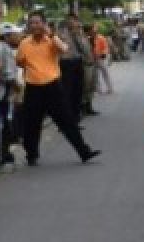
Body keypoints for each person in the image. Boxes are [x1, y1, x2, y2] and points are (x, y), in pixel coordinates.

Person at [16, 12, 100, 166]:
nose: (34, 26)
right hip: (33, 88)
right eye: (32, 23)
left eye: (37, 23)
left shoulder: (51, 41)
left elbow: (64, 49)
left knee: (67, 121)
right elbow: (20, 62)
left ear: (44, 24)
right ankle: (31, 155)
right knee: (31, 124)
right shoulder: (24, 43)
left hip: (52, 87)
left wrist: (52, 35)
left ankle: (84, 152)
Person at [0, 23, 22, 172]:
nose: (18, 36)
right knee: (2, 124)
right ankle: (0, 156)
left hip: (0, 93)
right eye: (15, 34)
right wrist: (18, 87)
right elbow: (7, 75)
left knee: (1, 124)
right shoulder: (4, 49)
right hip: (1, 94)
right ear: (7, 36)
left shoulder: (1, 47)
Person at [57, 13, 88, 120]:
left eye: (74, 20)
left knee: (78, 89)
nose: (72, 22)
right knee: (67, 91)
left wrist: (78, 34)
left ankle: (76, 117)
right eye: (70, 20)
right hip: (66, 62)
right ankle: (67, 119)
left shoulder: (79, 32)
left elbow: (85, 49)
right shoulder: (60, 32)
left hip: (78, 61)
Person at [92, 24, 113, 95]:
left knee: (105, 73)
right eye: (92, 29)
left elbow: (105, 47)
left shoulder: (101, 38)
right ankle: (98, 90)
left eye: (94, 29)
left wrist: (103, 54)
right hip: (93, 58)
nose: (93, 31)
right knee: (95, 75)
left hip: (101, 58)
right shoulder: (89, 38)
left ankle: (110, 88)